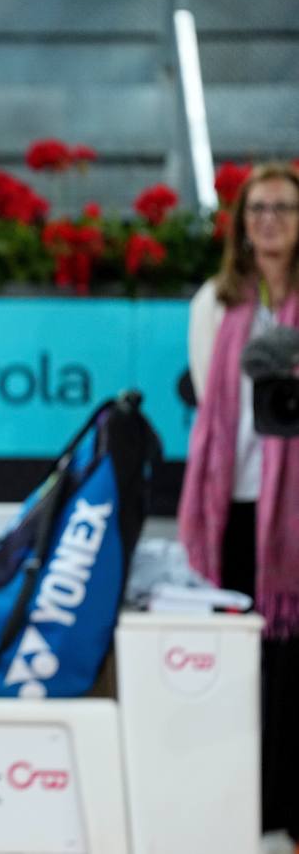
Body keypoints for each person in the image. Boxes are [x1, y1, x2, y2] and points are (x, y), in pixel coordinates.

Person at [179, 162, 299, 844]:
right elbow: (210, 408)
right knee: (244, 665)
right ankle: (245, 811)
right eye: (258, 209)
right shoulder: (215, 304)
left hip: (297, 515)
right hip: (238, 506)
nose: (270, 220)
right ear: (242, 224)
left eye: (284, 207)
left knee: (294, 668)